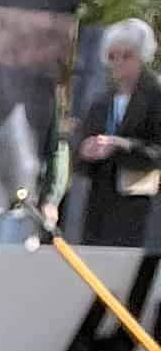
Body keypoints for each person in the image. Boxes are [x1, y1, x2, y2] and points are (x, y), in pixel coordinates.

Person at [69, 18, 161, 248]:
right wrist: (85, 150)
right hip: (100, 209)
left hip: (144, 211)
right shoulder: (101, 101)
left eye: (126, 56)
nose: (118, 62)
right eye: (112, 56)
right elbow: (78, 154)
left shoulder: (155, 96)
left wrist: (119, 145)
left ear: (142, 56)